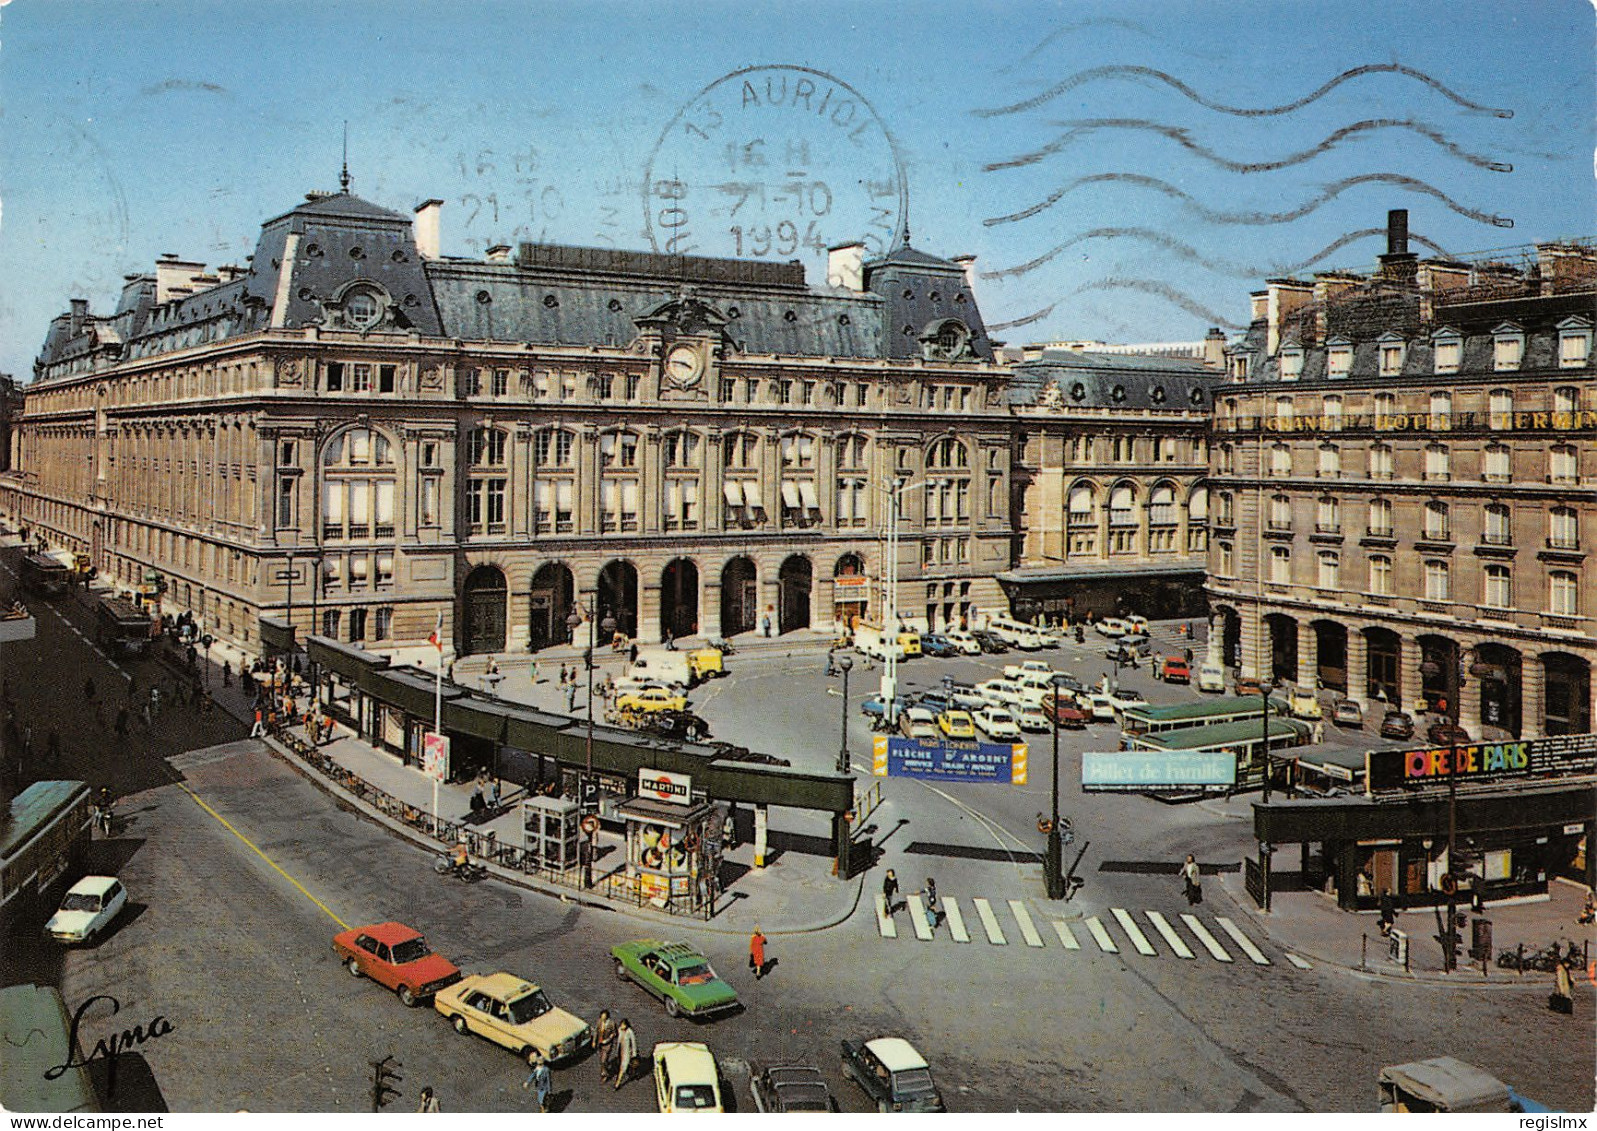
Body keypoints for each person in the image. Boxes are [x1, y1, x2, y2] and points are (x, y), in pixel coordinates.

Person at [593, 1009, 617, 1082]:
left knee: (603, 1060)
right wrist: (594, 1041)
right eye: (602, 1017)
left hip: (607, 1044)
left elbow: (614, 1033)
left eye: (604, 1017)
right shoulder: (599, 1022)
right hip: (600, 1044)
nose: (603, 1018)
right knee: (602, 1060)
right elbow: (596, 1032)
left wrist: (609, 1038)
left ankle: (605, 1074)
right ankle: (604, 1069)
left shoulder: (611, 1023)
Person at [613, 1019, 637, 1091]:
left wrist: (634, 1053)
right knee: (621, 1064)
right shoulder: (619, 1030)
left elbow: (633, 1043)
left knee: (623, 1067)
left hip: (626, 1052)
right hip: (621, 1050)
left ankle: (617, 1083)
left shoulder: (630, 1032)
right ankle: (631, 1072)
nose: (622, 1026)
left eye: (623, 1025)